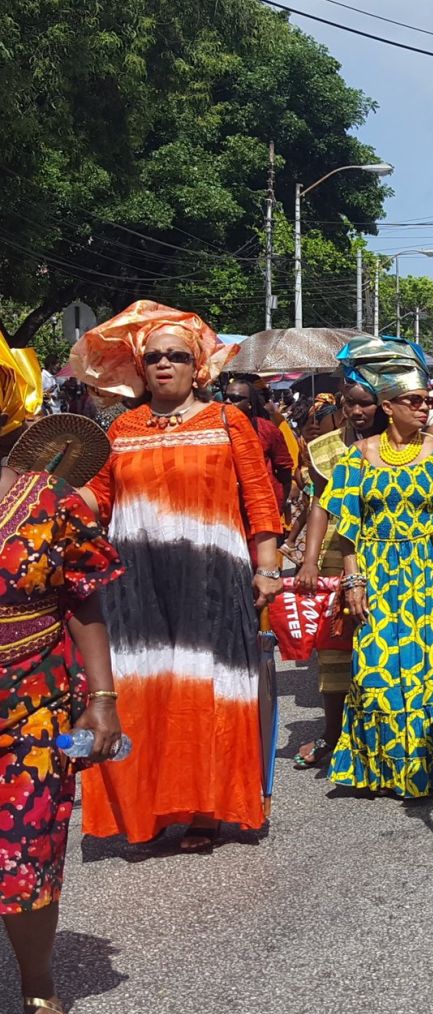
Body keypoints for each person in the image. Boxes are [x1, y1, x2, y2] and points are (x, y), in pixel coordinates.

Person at [70, 301, 282, 851]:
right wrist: (55, 497)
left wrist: (268, 570)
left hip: (212, 577)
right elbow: (100, 498)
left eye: (177, 356)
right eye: (155, 357)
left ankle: (208, 809)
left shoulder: (226, 421)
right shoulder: (121, 428)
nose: (165, 365)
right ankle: (150, 808)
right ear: (141, 368)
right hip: (136, 583)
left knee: (205, 689)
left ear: (198, 366)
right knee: (146, 689)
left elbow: (260, 500)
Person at [0, 333, 125, 1014]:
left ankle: (37, 987)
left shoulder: (50, 499)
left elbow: (83, 600)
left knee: (25, 850)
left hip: (32, 703)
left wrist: (101, 698)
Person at [315, 338, 433, 798]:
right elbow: (346, 526)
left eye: (428, 400)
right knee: (373, 672)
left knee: (425, 671)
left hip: (428, 573)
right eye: (415, 400)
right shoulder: (358, 457)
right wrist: (351, 579)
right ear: (388, 405)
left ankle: (426, 768)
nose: (424, 407)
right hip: (375, 571)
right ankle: (375, 768)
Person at [292, 380, 383, 770]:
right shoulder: (326, 448)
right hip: (333, 549)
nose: (357, 411)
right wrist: (309, 561)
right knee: (334, 650)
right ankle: (332, 736)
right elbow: (319, 504)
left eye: (366, 404)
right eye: (350, 404)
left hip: (386, 549)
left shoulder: (409, 444)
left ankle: (380, 740)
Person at [225, 377, 294, 514]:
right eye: (226, 397)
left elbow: (284, 470)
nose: (228, 402)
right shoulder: (214, 430)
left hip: (261, 507)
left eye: (235, 398)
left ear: (250, 403)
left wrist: (278, 507)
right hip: (226, 510)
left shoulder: (267, 429)